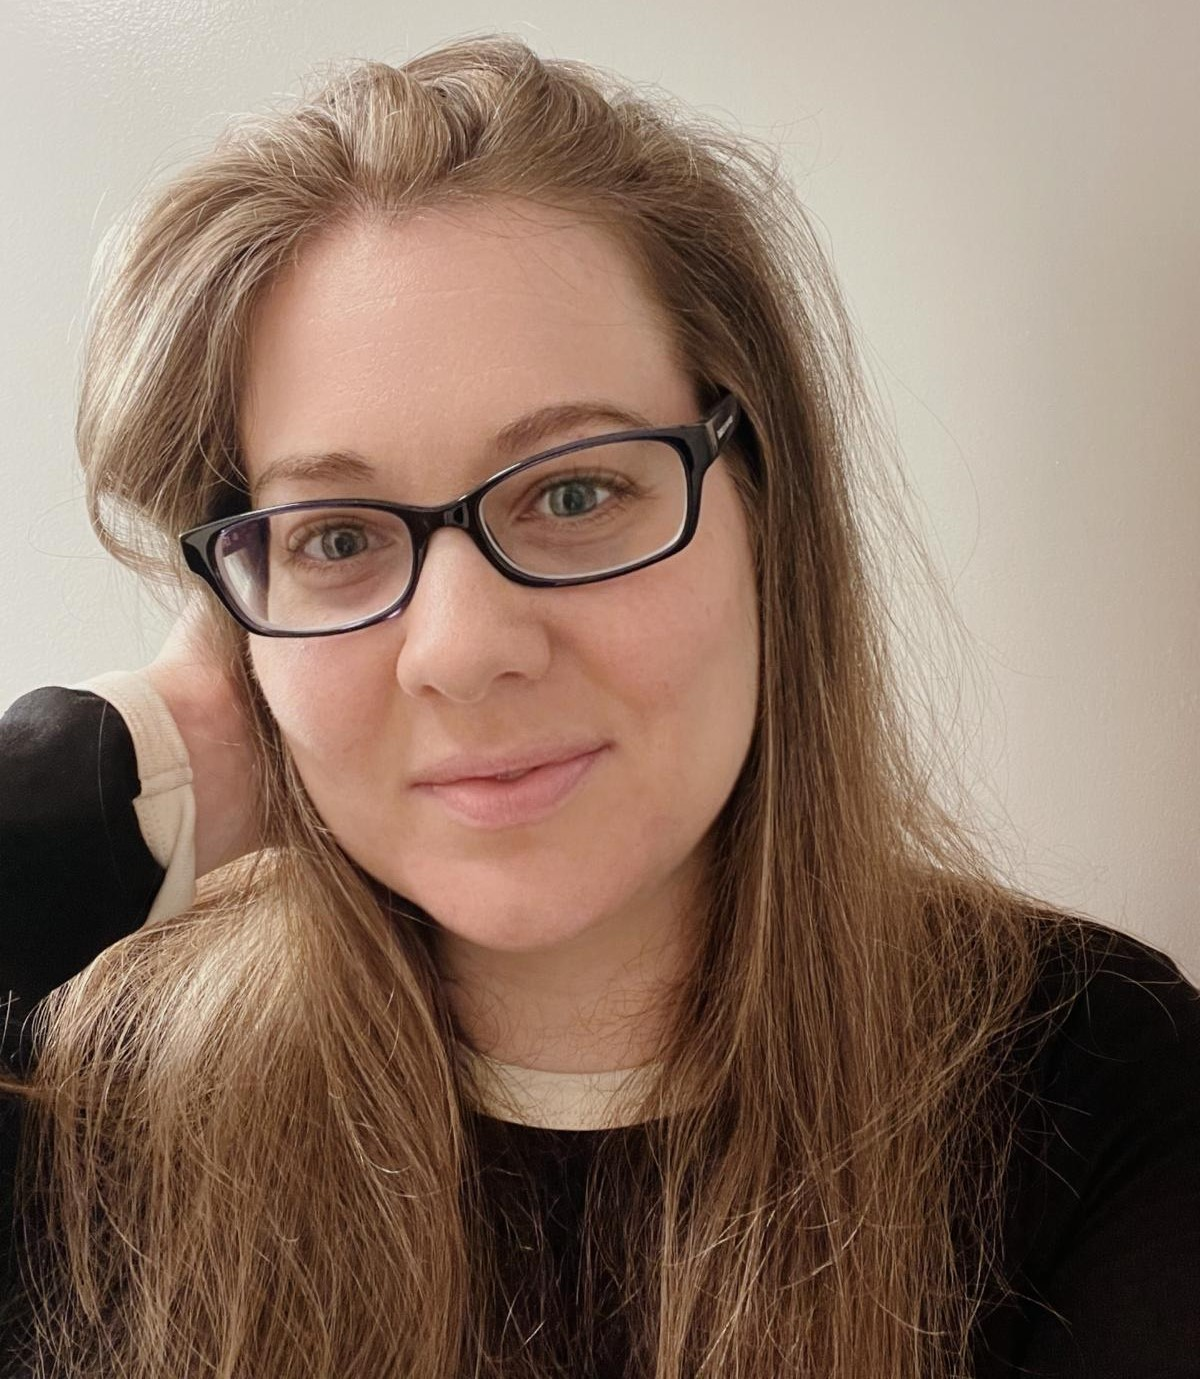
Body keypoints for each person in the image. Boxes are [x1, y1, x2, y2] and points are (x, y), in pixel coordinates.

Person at [1, 34, 1197, 1379]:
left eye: (573, 492)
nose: (460, 649)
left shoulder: (1084, 1083)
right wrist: (129, 769)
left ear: (765, 511)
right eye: (336, 537)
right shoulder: (100, 1100)